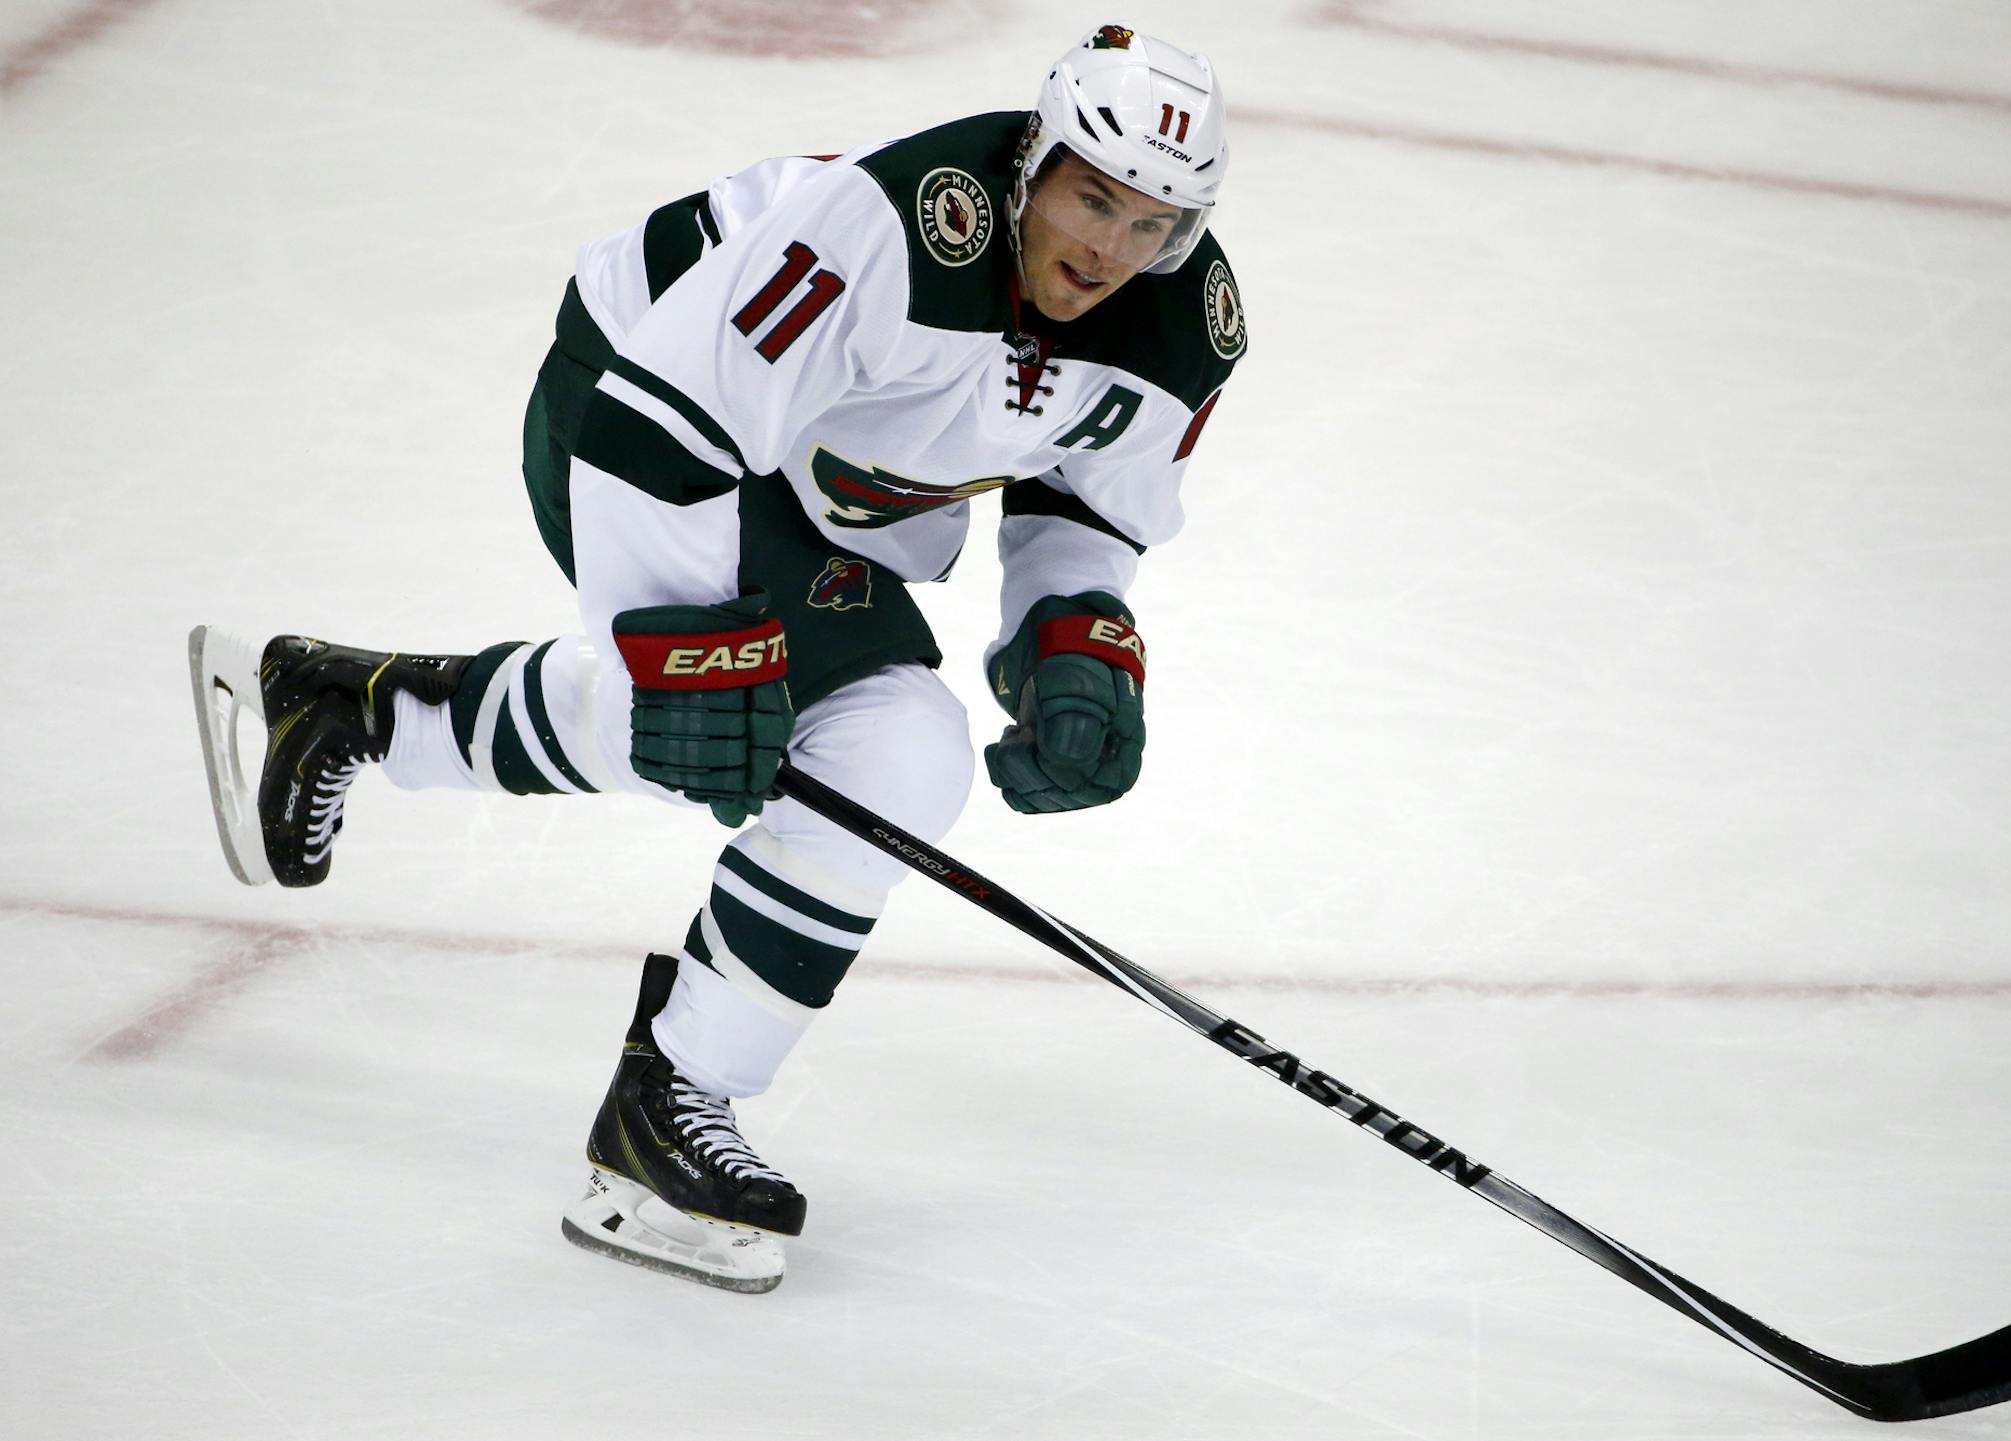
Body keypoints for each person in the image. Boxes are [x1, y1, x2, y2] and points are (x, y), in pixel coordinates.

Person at [187, 23, 1244, 1293]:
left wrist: (1075, 637)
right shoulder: (891, 229)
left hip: (816, 479)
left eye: (1154, 226)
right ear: (1033, 163)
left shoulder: (1183, 326)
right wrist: (685, 651)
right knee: (874, 747)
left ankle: (354, 710)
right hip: (634, 407)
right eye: (1094, 201)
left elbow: (1085, 495)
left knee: (823, 738)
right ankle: (667, 1111)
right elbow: (664, 423)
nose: (1113, 250)